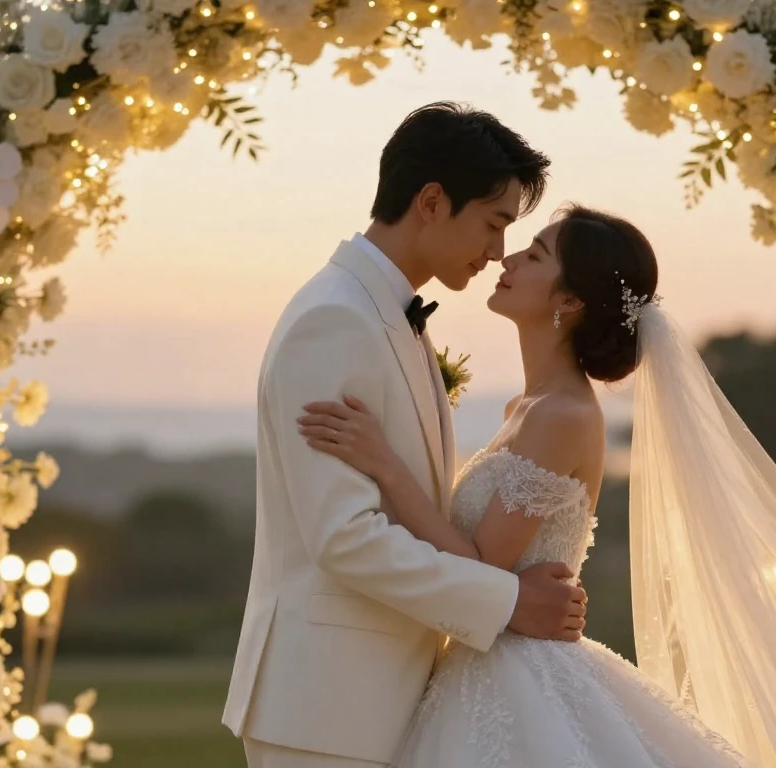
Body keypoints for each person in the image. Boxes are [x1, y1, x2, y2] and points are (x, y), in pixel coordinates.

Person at [299, 205, 776, 767]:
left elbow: (478, 567)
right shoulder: (524, 408)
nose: (509, 259)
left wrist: (383, 464)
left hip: (516, 682)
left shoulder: (564, 416)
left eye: (533, 253)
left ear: (567, 301)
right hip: (481, 669)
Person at [222, 102, 587, 768]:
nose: (497, 251)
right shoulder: (333, 320)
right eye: (494, 222)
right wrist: (507, 602)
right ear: (430, 201)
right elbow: (344, 536)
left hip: (382, 702)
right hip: (327, 710)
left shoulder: (388, 317)